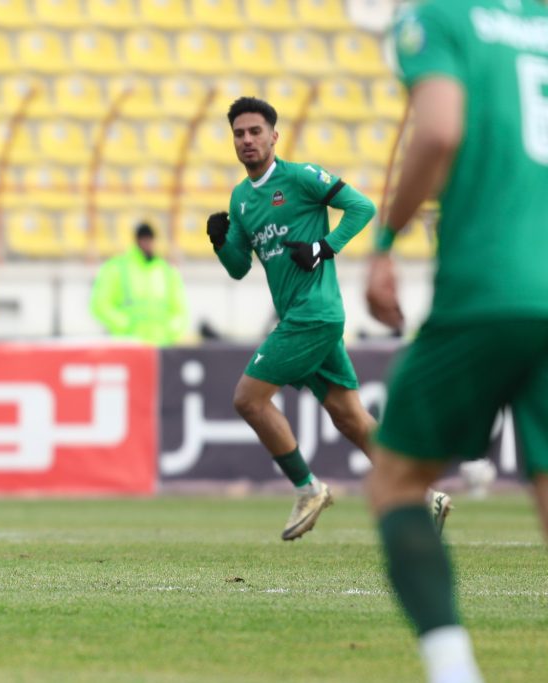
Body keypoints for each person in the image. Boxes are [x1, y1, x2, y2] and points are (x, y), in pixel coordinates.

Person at [365, 1, 548, 681]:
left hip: (491, 288)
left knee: (396, 480)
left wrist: (387, 238)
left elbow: (439, 131)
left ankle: (453, 670)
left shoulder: (440, 17)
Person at [206, 96, 452, 541]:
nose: (247, 140)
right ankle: (422, 496)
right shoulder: (241, 198)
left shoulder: (300, 177)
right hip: (305, 318)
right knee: (349, 417)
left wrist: (324, 247)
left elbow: (362, 207)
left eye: (255, 131)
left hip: (313, 315)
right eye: (239, 134)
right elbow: (239, 268)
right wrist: (222, 243)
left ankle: (308, 488)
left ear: (274, 136)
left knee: (248, 399)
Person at [90, 222, 189, 346]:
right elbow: (99, 304)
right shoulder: (117, 268)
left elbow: (181, 310)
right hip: (129, 345)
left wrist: (171, 331)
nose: (147, 243)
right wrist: (124, 325)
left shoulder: (167, 271)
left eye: (149, 239)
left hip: (161, 345)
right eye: (144, 239)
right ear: (137, 241)